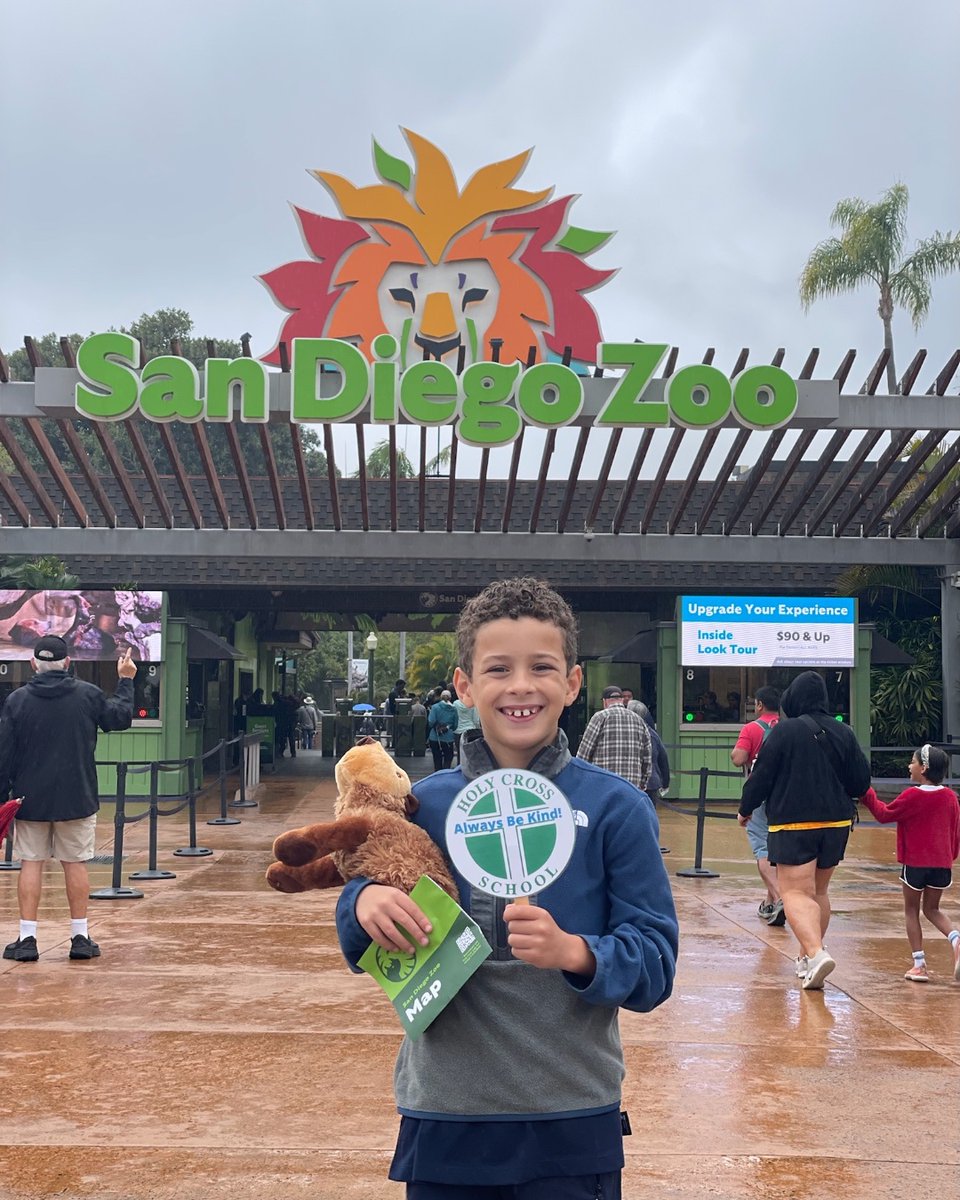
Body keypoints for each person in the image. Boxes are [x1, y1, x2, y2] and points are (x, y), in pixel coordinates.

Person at [336, 576, 678, 1197]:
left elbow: (655, 962)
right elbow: (360, 915)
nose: (521, 685)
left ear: (572, 683)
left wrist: (576, 952)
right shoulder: (424, 804)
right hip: (445, 1111)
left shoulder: (615, 809)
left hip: (571, 1114)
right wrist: (364, 903)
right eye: (498, 669)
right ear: (465, 685)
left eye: (542, 667)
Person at [0, 634, 136, 963]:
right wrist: (126, 680)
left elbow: (4, 754)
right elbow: (119, 718)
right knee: (75, 863)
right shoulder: (87, 695)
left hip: (29, 799)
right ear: (68, 662)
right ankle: (79, 937)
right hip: (77, 797)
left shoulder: (17, 701)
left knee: (30, 862)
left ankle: (28, 939)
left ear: (33, 663)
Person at [739, 671, 870, 990]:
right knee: (819, 892)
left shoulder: (785, 731)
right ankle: (805, 957)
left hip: (794, 823)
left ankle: (816, 952)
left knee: (794, 892)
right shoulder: (844, 732)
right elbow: (861, 782)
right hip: (837, 824)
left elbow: (762, 775)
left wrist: (746, 809)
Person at [860, 745, 960, 983]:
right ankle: (956, 940)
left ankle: (919, 965)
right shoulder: (950, 797)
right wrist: (949, 857)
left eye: (913, 762)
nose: (909, 766)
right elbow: (955, 833)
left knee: (911, 910)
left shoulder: (911, 796)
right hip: (942, 865)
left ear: (924, 768)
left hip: (915, 863)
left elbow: (884, 814)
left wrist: (866, 793)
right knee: (933, 910)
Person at [731, 686, 785, 927]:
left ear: (760, 705)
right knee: (779, 849)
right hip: (786, 796)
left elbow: (739, 758)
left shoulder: (752, 728)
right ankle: (770, 903)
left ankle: (782, 899)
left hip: (761, 797)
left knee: (762, 849)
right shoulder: (788, 727)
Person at [576, 685, 653, 793]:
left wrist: (578, 778)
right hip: (631, 785)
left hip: (603, 784)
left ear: (605, 701)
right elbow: (647, 756)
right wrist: (643, 783)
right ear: (621, 700)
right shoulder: (639, 720)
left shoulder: (599, 717)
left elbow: (584, 752)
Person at [426, 688, 457, 772]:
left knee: (437, 758)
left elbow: (431, 722)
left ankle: (438, 773)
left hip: (435, 737)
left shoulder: (435, 707)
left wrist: (437, 726)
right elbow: (455, 725)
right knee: (448, 757)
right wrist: (447, 727)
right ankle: (445, 773)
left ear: (441, 697)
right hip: (448, 738)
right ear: (450, 698)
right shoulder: (454, 709)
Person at [451, 692, 480, 764]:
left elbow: (454, 717)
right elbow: (476, 720)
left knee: (459, 752)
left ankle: (459, 767)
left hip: (458, 731)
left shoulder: (455, 704)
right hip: (470, 730)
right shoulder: (473, 703)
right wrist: (478, 728)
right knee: (470, 753)